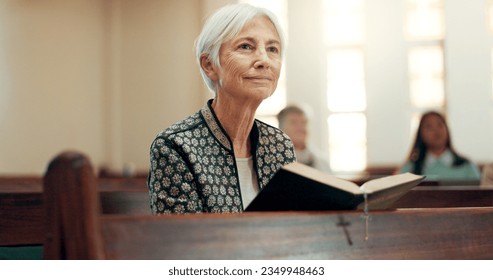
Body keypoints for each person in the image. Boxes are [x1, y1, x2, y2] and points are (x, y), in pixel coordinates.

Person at [147, 3, 296, 214]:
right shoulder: (175, 147)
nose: (264, 60)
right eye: (246, 46)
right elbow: (181, 242)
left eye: (272, 49)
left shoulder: (280, 145)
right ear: (209, 65)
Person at [397, 111, 481, 181]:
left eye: (440, 125)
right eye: (429, 127)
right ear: (420, 134)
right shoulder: (409, 170)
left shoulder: (467, 166)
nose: (436, 131)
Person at [277, 105, 331, 173]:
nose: (300, 127)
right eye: (294, 122)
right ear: (281, 128)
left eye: (304, 122)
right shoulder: (274, 162)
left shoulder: (323, 162)